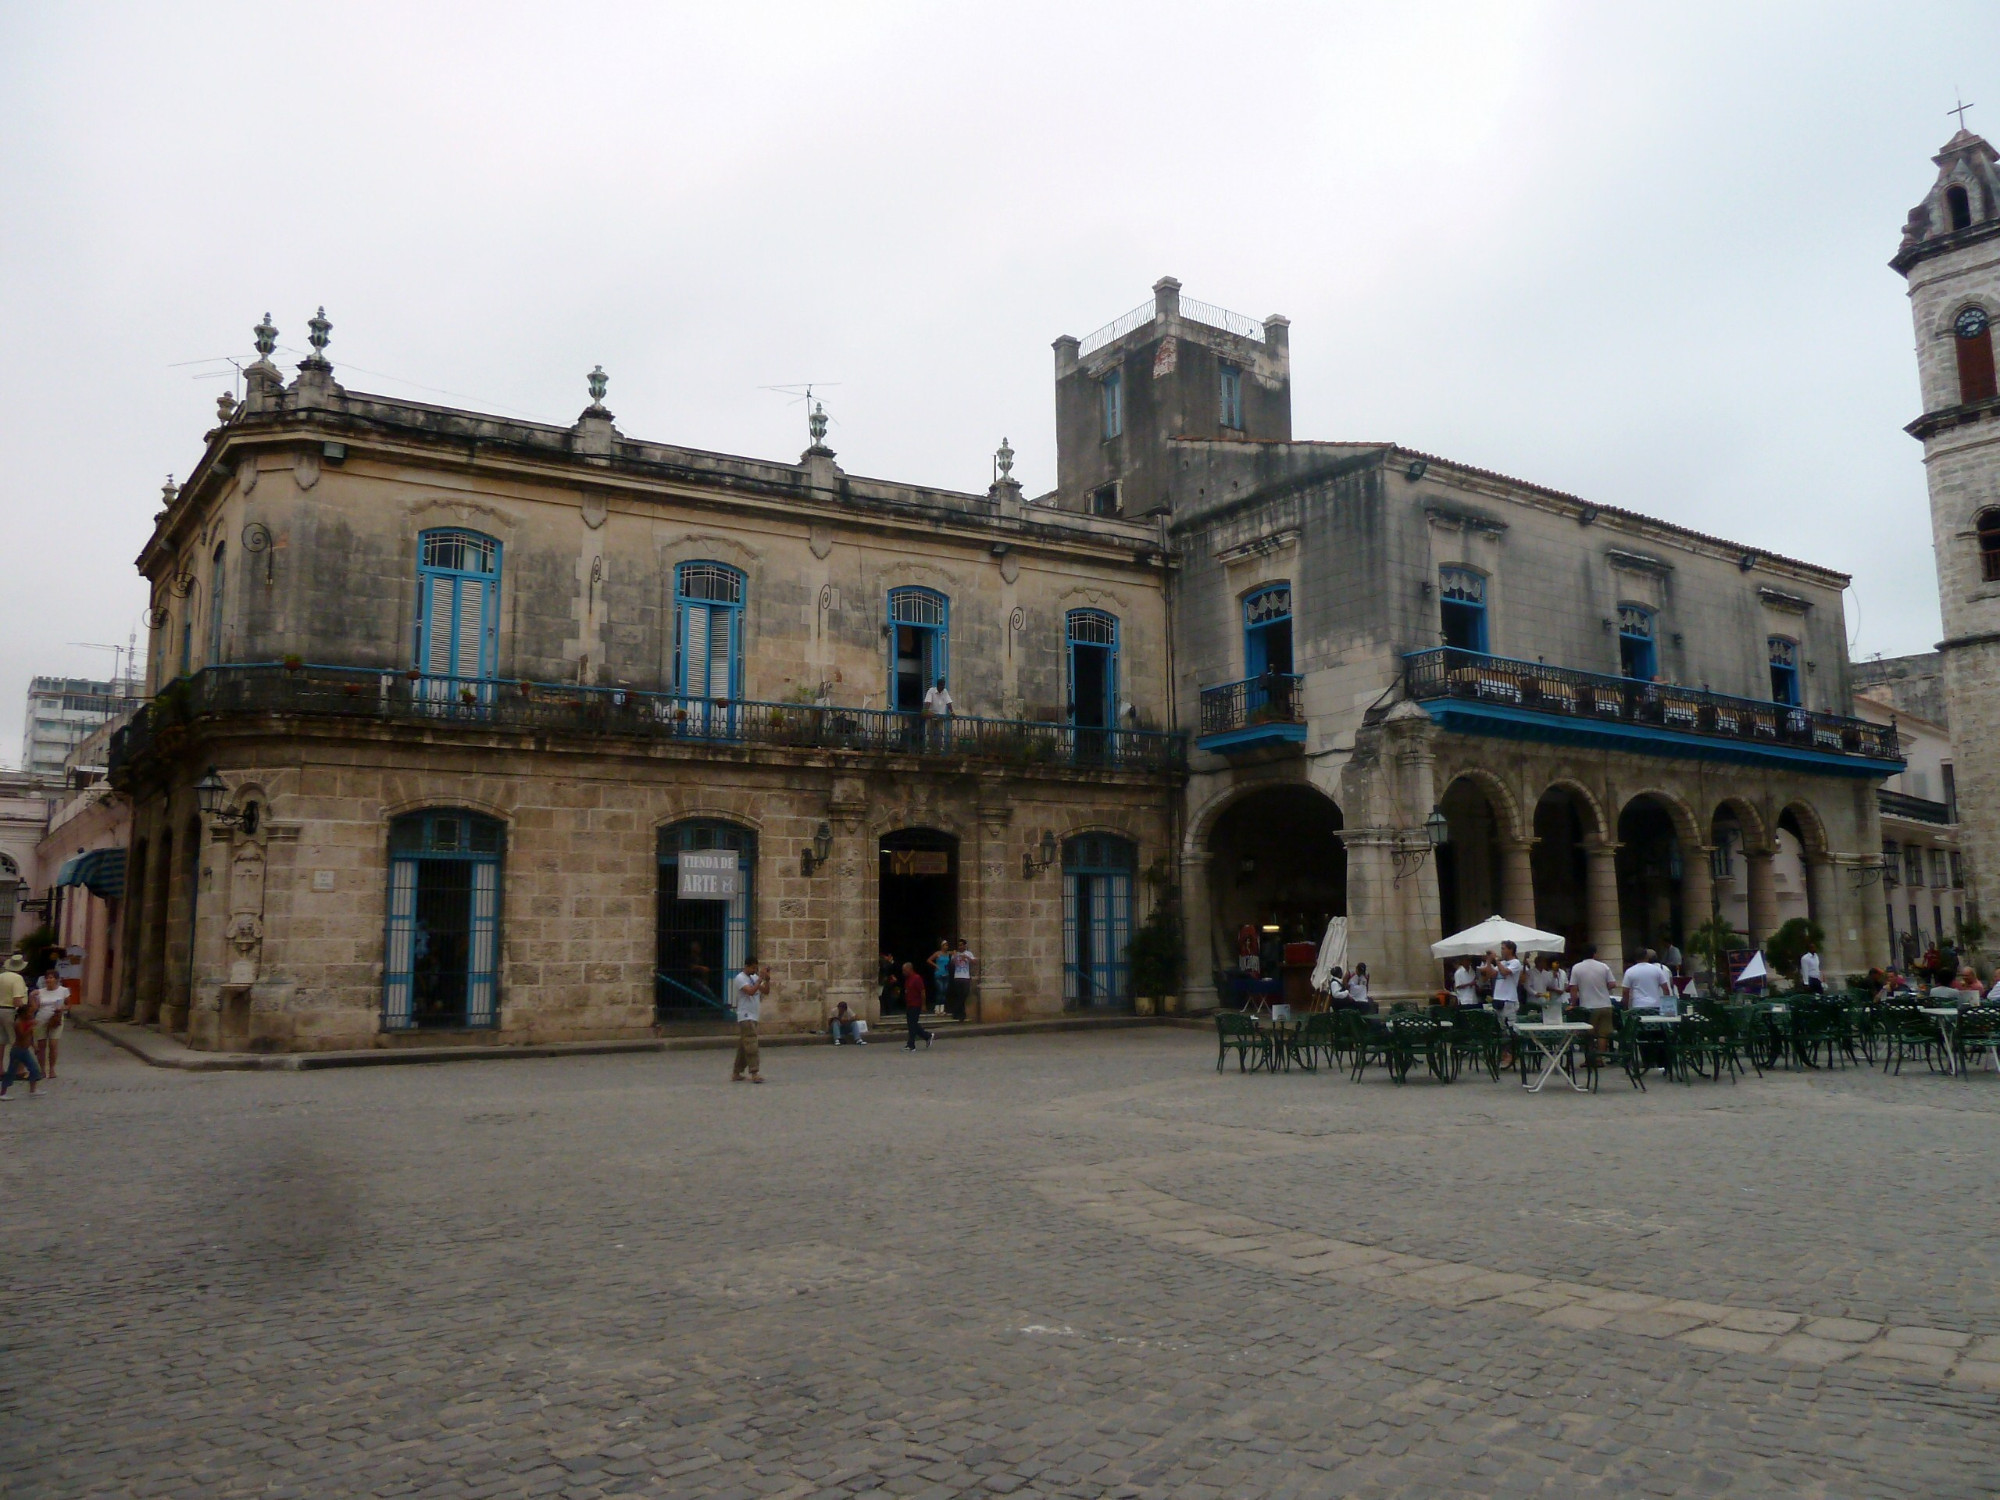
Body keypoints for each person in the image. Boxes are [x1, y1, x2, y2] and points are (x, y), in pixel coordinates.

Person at [1570, 943, 1617, 1059]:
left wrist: (1573, 1003)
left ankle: (1590, 1060)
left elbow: (1573, 988)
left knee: (1588, 1034)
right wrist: (1602, 987)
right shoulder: (1603, 966)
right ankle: (1599, 1058)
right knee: (1603, 1034)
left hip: (1588, 1006)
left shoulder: (1577, 968)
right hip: (1605, 1004)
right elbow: (1612, 984)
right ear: (1594, 954)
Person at [730, 956, 765, 1083]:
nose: (754, 971)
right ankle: (754, 1072)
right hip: (745, 1016)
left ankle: (736, 1072)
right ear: (747, 966)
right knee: (751, 1044)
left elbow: (765, 991)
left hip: (753, 1015)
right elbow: (750, 991)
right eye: (753, 968)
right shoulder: (740, 978)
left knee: (743, 1046)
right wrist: (760, 979)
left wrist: (767, 979)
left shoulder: (754, 978)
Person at [32, 970, 69, 1081]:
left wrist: (62, 1008)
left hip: (55, 1020)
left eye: (51, 978)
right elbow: (35, 1008)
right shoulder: (40, 992)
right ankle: (42, 1069)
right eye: (47, 978)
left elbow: (68, 1004)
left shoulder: (63, 991)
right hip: (41, 1019)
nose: (49, 980)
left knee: (53, 1045)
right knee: (41, 1045)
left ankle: (52, 1069)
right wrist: (31, 997)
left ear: (57, 979)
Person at [1491, 942, 1524, 1066]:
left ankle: (1511, 1053)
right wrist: (1489, 961)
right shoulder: (1502, 963)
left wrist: (1497, 961)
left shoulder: (1515, 963)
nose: (1501, 950)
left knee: (1510, 1028)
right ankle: (1504, 1053)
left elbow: (1505, 972)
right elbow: (1492, 974)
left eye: (1503, 948)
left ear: (1511, 950)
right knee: (1502, 1029)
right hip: (1498, 999)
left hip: (1509, 1000)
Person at [0, 995, 38, 1099]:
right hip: (18, 1050)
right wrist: (30, 1027)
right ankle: (3, 1093)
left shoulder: (27, 1022)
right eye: (29, 1013)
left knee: (34, 1069)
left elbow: (30, 1037)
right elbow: (21, 1035)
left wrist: (34, 1046)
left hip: (24, 1050)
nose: (31, 1015)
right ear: (23, 1014)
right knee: (11, 1072)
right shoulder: (18, 1023)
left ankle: (32, 1090)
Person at [1622, 947, 1674, 1016]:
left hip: (1638, 1005)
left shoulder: (1630, 971)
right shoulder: (1657, 970)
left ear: (1635, 958)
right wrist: (1666, 1006)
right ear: (1647, 957)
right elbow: (1666, 989)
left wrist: (1626, 1007)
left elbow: (1625, 991)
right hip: (1656, 1005)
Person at [900, 961, 934, 1051]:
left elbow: (922, 992)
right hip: (909, 1004)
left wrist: (923, 1005)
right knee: (912, 1024)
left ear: (909, 969)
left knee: (912, 1025)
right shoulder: (907, 979)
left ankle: (911, 1045)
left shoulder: (917, 978)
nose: (903, 972)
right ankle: (927, 1036)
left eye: (904, 970)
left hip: (916, 1004)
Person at [948, 938, 976, 1018]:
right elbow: (952, 964)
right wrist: (955, 956)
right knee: (959, 995)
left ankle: (957, 1012)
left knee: (964, 995)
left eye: (961, 945)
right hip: (957, 977)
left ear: (964, 946)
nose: (960, 947)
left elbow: (974, 962)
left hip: (966, 977)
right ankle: (961, 1014)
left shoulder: (969, 953)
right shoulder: (955, 954)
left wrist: (967, 957)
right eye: (959, 945)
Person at [929, 939, 953, 1015]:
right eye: (945, 945)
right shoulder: (938, 953)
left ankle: (942, 1009)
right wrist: (935, 965)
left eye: (947, 945)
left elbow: (954, 953)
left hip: (946, 974)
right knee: (940, 990)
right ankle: (937, 1008)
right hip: (939, 974)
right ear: (942, 946)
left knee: (944, 991)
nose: (946, 947)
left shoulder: (948, 954)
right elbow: (929, 960)